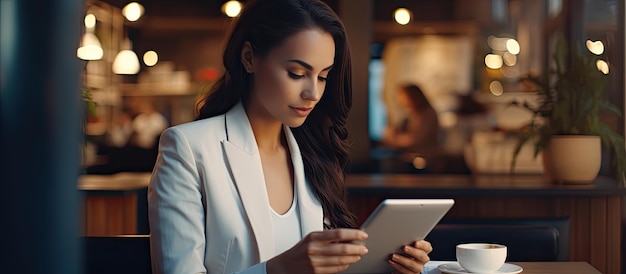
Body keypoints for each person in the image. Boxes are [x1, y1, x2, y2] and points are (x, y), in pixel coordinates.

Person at [148, 1, 433, 273]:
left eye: (323, 76)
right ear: (249, 58)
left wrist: (391, 268)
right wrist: (279, 269)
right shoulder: (188, 148)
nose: (314, 93)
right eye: (297, 73)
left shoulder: (315, 154)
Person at [380, 84, 440, 172]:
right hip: (409, 157)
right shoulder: (411, 114)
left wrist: (395, 141)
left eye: (402, 96)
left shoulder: (427, 114)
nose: (399, 100)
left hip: (422, 159)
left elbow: (417, 140)